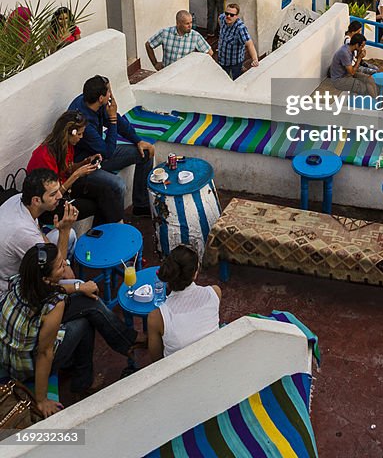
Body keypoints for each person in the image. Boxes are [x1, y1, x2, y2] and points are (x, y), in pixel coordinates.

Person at [0, 244, 138, 415]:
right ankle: (84, 383)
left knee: (88, 302)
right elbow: (44, 353)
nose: (65, 266)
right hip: (28, 367)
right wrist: (41, 400)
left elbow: (53, 287)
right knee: (84, 323)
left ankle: (128, 343)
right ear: (45, 278)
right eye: (60, 266)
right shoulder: (54, 304)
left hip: (11, 352)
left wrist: (80, 287)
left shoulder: (24, 280)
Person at [70, 75, 155, 218]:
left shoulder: (95, 102)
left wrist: (137, 140)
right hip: (87, 165)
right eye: (109, 91)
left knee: (145, 152)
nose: (111, 94)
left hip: (101, 152)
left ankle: (141, 206)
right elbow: (108, 152)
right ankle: (116, 223)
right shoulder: (83, 120)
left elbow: (120, 124)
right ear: (101, 98)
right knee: (118, 185)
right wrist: (113, 119)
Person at [27, 112, 123, 226]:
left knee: (106, 191)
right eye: (80, 134)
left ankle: (117, 227)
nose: (81, 137)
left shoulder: (66, 146)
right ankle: (104, 235)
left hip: (67, 189)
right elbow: (53, 195)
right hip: (49, 206)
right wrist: (77, 175)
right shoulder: (44, 156)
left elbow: (67, 168)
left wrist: (85, 162)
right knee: (98, 205)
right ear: (70, 133)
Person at [0, 169, 78, 296]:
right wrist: (64, 231)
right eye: (53, 194)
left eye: (58, 190)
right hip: (13, 285)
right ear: (36, 200)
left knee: (71, 236)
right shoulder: (24, 233)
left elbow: (38, 232)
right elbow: (54, 273)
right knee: (78, 283)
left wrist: (66, 265)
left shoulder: (20, 199)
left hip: (29, 256)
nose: (59, 196)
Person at [148, 245, 220, 360]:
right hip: (214, 361)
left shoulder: (156, 317)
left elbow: (156, 361)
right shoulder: (215, 292)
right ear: (195, 273)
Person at [146, 11, 212, 70]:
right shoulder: (165, 33)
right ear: (178, 23)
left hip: (185, 75)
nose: (190, 26)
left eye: (191, 22)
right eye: (187, 24)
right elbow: (149, 45)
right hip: (167, 73)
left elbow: (209, 52)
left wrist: (196, 67)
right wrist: (155, 64)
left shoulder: (195, 36)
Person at [216, 3, 259, 80]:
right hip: (221, 59)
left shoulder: (240, 28)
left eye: (232, 15)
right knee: (222, 80)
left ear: (237, 16)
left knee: (235, 80)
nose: (228, 16)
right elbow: (219, 18)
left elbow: (250, 44)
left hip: (234, 63)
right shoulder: (223, 18)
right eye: (227, 13)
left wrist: (255, 59)